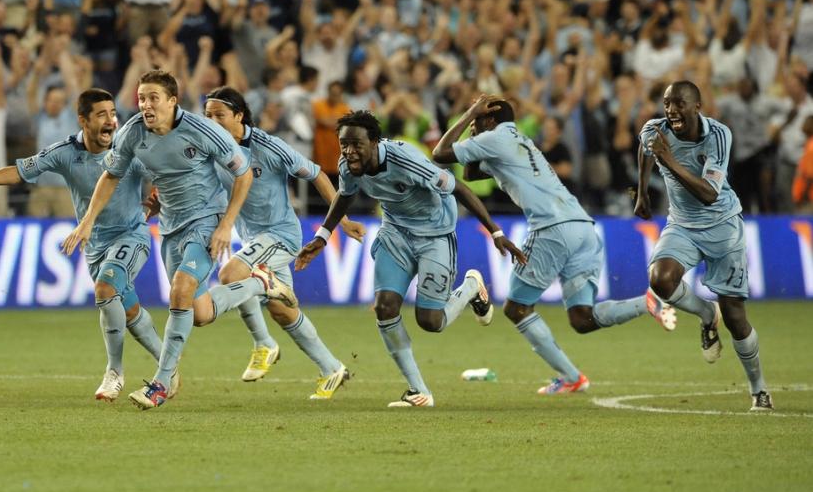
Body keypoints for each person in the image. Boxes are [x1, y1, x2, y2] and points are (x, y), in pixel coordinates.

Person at [62, 70, 297, 409]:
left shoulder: (203, 130)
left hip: (205, 222)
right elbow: (110, 176)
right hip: (171, 228)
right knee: (200, 313)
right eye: (141, 98)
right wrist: (86, 222)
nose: (145, 104)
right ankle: (260, 281)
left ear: (172, 101)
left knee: (181, 289)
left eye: (153, 97)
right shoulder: (132, 133)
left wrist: (226, 224)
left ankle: (161, 382)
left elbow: (243, 172)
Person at [433, 95, 677, 396]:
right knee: (582, 318)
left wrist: (469, 111)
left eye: (477, 119)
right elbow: (472, 173)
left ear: (490, 119)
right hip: (583, 229)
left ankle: (571, 376)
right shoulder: (520, 141)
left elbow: (440, 153)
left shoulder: (495, 138)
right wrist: (474, 129)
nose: (473, 123)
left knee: (517, 309)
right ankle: (647, 303)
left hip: (551, 228)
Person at [295, 110, 525, 408]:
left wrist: (495, 233)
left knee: (431, 321)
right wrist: (322, 236)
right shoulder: (349, 166)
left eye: (356, 145)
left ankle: (470, 287)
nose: (349, 151)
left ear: (375, 142)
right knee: (384, 307)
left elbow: (459, 188)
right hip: (396, 234)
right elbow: (345, 194)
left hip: (435, 234)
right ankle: (418, 390)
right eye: (344, 145)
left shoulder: (407, 160)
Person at [0, 88, 168, 401]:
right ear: (83, 121)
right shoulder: (64, 152)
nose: (111, 121)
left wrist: (154, 200)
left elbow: (160, 175)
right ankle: (169, 366)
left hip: (132, 234)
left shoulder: (129, 148)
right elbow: (23, 171)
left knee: (105, 289)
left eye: (113, 114)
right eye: (101, 115)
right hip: (95, 244)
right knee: (128, 310)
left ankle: (114, 372)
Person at [201, 87, 365, 399]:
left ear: (238, 115)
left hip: (282, 235)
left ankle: (263, 342)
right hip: (253, 238)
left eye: (218, 115)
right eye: (207, 115)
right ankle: (332, 367)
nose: (211, 122)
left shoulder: (269, 146)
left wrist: (340, 220)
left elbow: (316, 174)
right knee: (283, 311)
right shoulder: (212, 151)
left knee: (231, 275)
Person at [635, 81, 772, 411]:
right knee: (660, 278)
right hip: (682, 225)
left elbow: (709, 193)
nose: (671, 110)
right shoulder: (655, 129)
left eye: (679, 103)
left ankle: (759, 390)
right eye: (667, 103)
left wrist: (668, 160)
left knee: (736, 317)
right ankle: (706, 314)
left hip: (723, 227)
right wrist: (641, 191)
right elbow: (645, 148)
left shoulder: (718, 135)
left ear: (697, 106)